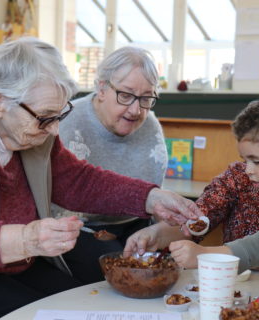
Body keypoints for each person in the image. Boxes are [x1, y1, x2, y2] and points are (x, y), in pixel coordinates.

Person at [0, 37, 202, 320]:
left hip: (20, 264)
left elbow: (77, 180)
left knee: (85, 307)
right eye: (44, 118)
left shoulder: (29, 131)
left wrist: (149, 197)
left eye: (59, 116)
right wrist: (26, 238)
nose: (53, 132)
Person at [124, 84, 259, 278]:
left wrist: (203, 255)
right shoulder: (255, 178)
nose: (248, 170)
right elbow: (198, 220)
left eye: (257, 159)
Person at [55, 46, 168, 283]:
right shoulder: (68, 122)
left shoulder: (151, 125)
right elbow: (61, 207)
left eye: (146, 98)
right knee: (113, 272)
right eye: (125, 95)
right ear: (101, 88)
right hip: (82, 229)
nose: (136, 110)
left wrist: (156, 233)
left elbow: (154, 196)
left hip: (136, 224)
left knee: (162, 268)